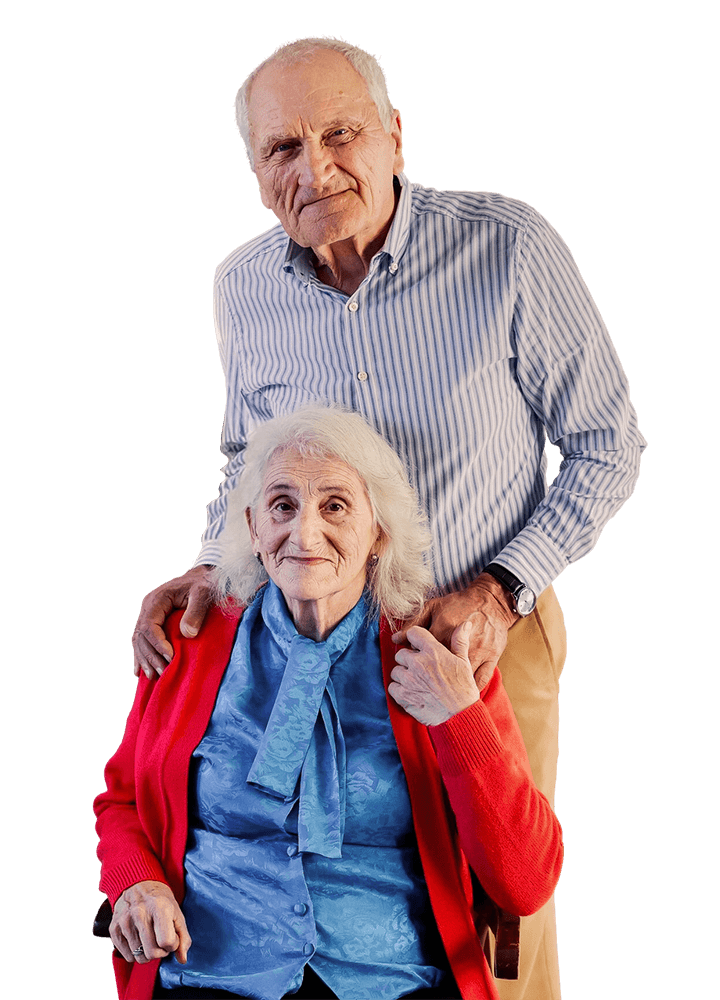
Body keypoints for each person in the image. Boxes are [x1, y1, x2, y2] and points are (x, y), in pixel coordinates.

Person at [130, 36, 646, 1000]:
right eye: (282, 149)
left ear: (396, 136)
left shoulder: (507, 245)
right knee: (300, 854)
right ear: (254, 173)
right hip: (308, 629)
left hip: (480, 630)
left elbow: (609, 445)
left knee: (500, 906)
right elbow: (250, 460)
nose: (315, 168)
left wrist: (498, 590)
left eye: (340, 134)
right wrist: (211, 561)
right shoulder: (240, 285)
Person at [95, 407, 563, 1000]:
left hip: (389, 980)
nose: (305, 534)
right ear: (253, 528)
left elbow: (525, 883)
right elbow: (122, 801)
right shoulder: (190, 640)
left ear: (379, 534)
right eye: (283, 506)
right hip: (212, 969)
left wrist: (459, 718)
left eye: (335, 506)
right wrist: (137, 882)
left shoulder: (441, 653)